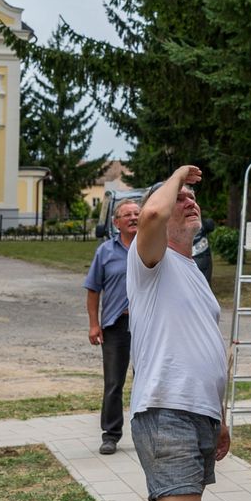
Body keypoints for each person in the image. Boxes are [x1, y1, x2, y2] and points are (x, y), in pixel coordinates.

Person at [123, 165, 229, 501]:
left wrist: (220, 417)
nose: (188, 203)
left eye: (194, 199)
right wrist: (174, 176)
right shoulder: (149, 259)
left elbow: (203, 349)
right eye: (180, 198)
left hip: (196, 416)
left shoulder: (190, 270)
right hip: (164, 412)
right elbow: (153, 213)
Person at [85, 194, 140, 455]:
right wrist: (94, 325)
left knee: (147, 379)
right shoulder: (105, 251)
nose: (133, 217)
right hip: (115, 325)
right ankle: (111, 434)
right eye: (127, 214)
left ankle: (146, 432)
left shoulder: (151, 246)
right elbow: (93, 290)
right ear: (116, 222)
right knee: (114, 383)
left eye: (137, 213)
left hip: (146, 324)